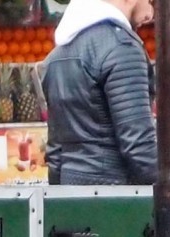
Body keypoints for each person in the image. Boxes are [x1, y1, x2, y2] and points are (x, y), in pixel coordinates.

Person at [41, 0, 157, 185]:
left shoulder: (56, 55)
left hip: (70, 192)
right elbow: (138, 144)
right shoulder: (122, 48)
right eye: (150, 1)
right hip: (114, 195)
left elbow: (56, 152)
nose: (151, 13)